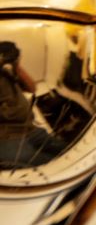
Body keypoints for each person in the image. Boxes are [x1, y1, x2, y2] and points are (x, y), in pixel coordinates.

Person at [0, 41, 66, 169]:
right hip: (8, 139)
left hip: (30, 130)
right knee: (53, 167)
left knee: (67, 150)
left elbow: (32, 88)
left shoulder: (8, 73)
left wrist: (16, 66)